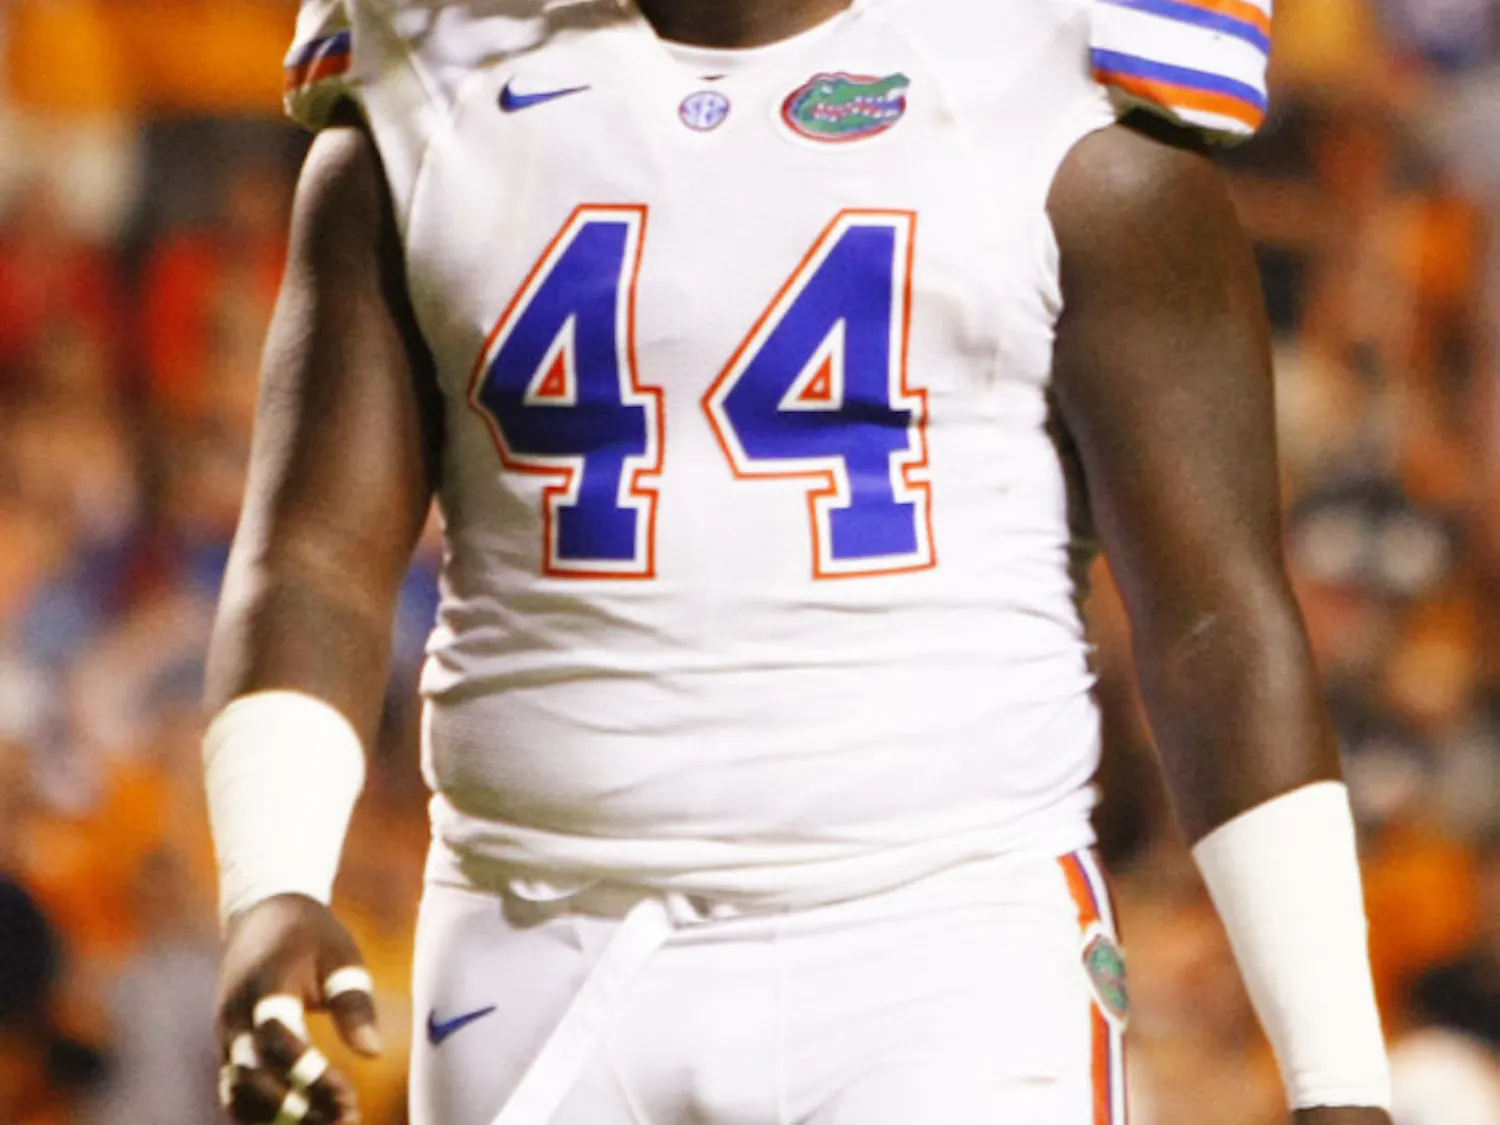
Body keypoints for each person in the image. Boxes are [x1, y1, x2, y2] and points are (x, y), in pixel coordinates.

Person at [205, 2, 1392, 1124]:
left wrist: (1336, 1071)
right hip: (529, 932)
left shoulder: (1058, 102)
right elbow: (314, 557)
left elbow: (1212, 618)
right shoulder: (430, 90)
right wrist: (272, 876)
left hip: (942, 941)